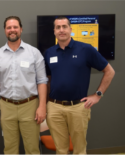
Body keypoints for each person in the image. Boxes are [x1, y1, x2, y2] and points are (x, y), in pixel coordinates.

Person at [44, 16, 115, 155]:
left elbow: (109, 71)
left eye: (64, 26)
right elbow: (47, 79)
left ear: (70, 29)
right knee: (61, 150)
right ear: (54, 31)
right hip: (54, 108)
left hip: (77, 107)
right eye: (58, 27)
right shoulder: (49, 53)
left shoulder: (85, 49)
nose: (61, 30)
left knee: (79, 150)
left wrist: (97, 95)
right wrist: (45, 103)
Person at [0, 16, 48, 155]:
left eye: (15, 27)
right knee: (9, 148)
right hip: (6, 106)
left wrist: (42, 106)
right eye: (9, 27)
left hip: (30, 105)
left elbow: (42, 81)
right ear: (5, 30)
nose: (12, 30)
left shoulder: (34, 53)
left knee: (32, 147)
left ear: (21, 29)